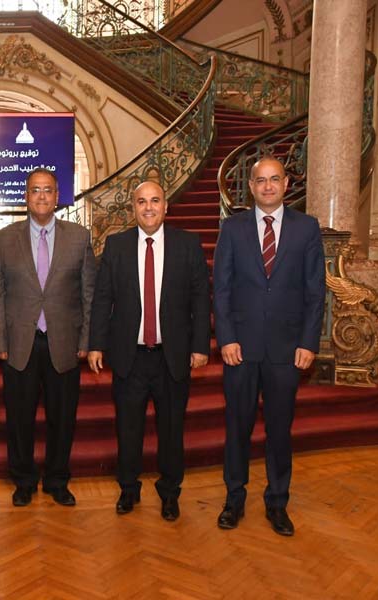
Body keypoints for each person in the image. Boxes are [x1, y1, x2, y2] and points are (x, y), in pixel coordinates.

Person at [213, 156, 325, 536]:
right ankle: (234, 499)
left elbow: (315, 292)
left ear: (286, 182)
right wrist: (225, 337)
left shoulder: (307, 229)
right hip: (240, 349)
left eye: (274, 179)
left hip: (287, 350)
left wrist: (309, 342)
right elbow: (222, 289)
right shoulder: (232, 228)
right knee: (237, 427)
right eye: (260, 180)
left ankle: (277, 502)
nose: (267, 186)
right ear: (251, 186)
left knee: (279, 430)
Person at [88, 180, 211, 521]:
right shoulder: (117, 246)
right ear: (133, 208)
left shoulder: (187, 245)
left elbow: (201, 299)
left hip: (173, 357)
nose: (148, 207)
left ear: (166, 206)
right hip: (130, 356)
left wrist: (201, 345)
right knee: (128, 429)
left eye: (155, 200)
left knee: (172, 431)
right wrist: (96, 344)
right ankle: (128, 489)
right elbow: (102, 299)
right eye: (141, 202)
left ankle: (170, 493)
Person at [0, 168, 95, 507]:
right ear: (26, 196)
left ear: (58, 194)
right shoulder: (5, 238)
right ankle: (24, 480)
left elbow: (88, 293)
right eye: (35, 190)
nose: (42, 196)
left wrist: (86, 340)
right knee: (20, 418)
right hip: (20, 344)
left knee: (63, 419)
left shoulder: (79, 237)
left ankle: (57, 480)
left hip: (64, 342)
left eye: (48, 190)